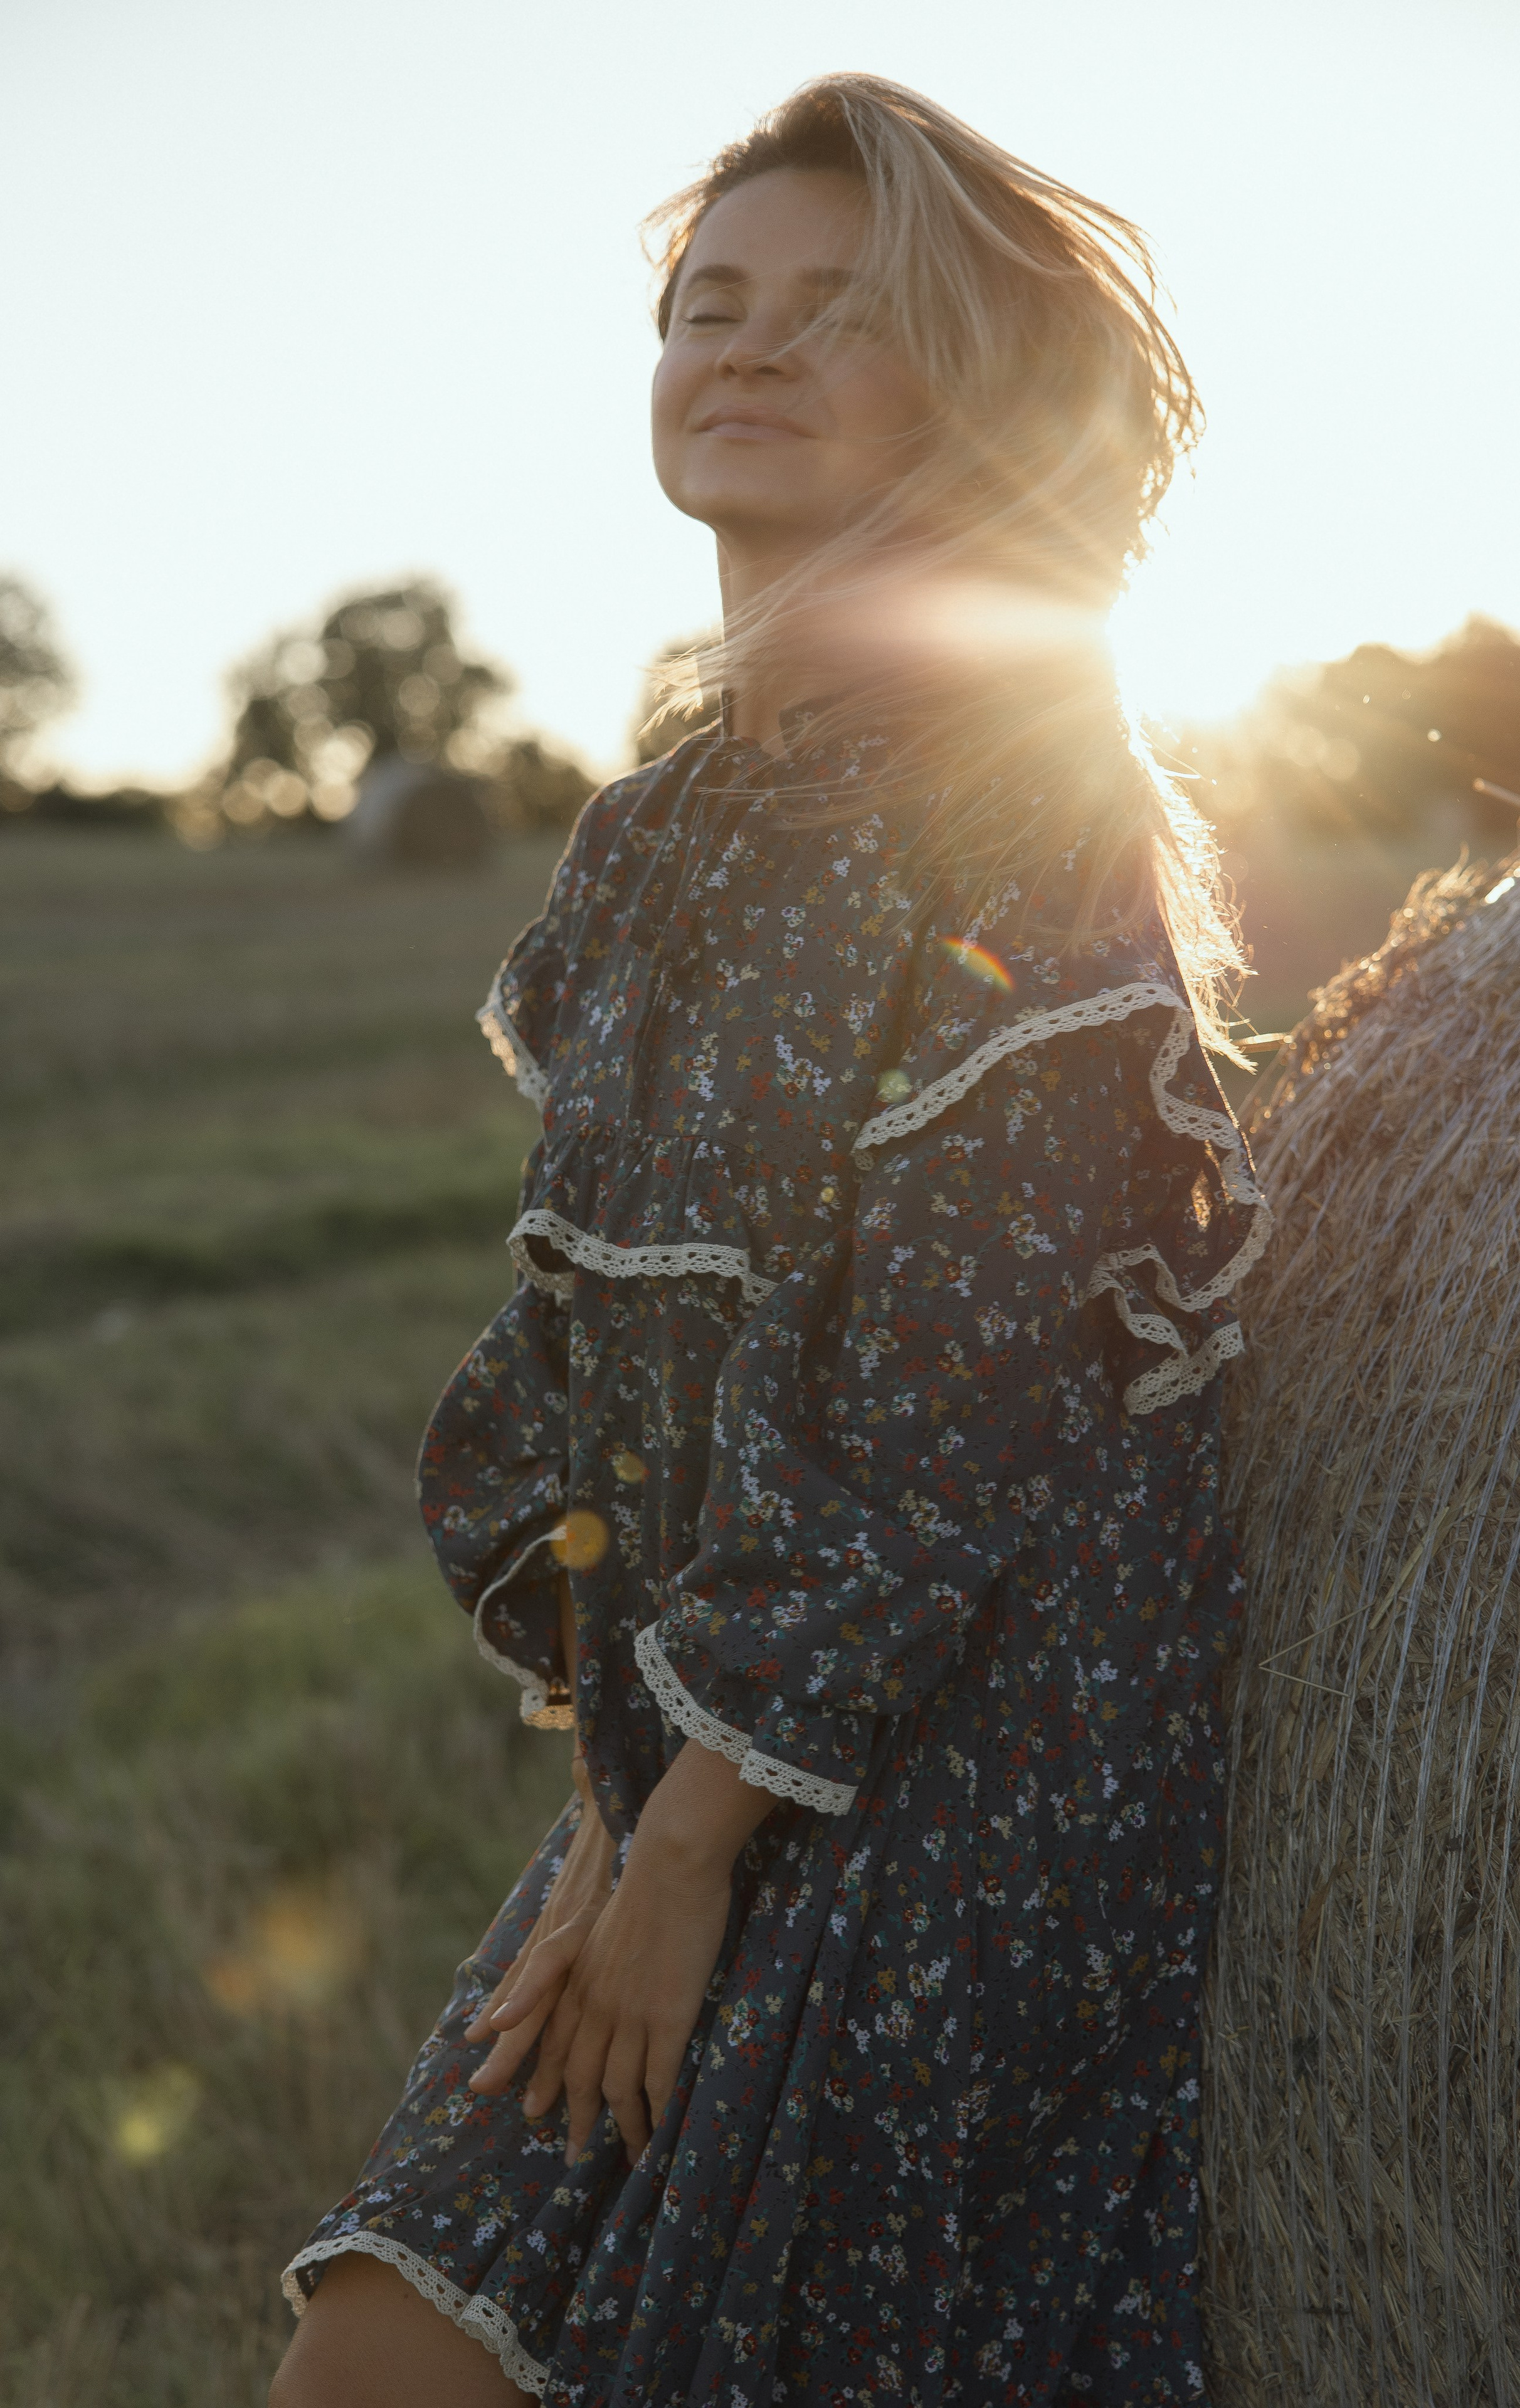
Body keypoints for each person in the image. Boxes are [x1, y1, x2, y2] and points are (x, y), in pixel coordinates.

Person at [271, 72, 1265, 2408]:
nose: (744, 349)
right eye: (708, 307)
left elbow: (954, 1395)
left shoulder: (1022, 776)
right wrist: (624, 1777)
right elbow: (592, 1363)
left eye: (836, 315)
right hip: (720, 1724)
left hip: (980, 1738)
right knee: (379, 2353)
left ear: (966, 386)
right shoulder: (658, 831)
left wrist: (693, 1842)